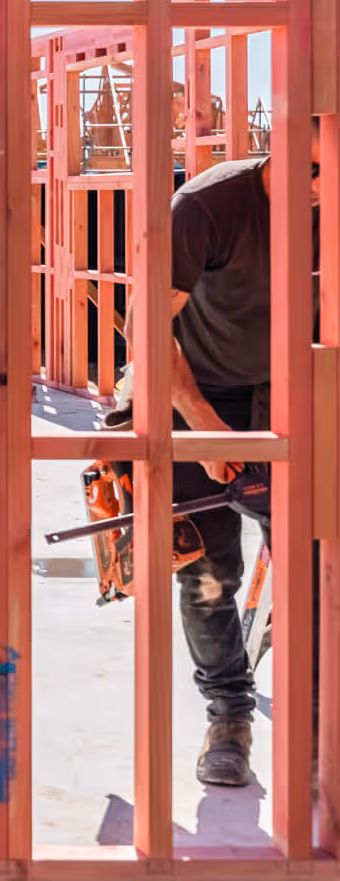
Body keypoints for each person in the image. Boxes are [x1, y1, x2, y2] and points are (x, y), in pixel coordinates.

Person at [123, 151, 316, 786]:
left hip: (295, 394)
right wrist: (203, 426)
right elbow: (146, 326)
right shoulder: (209, 207)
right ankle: (229, 717)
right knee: (207, 573)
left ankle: (319, 722)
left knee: (317, 562)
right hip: (195, 393)